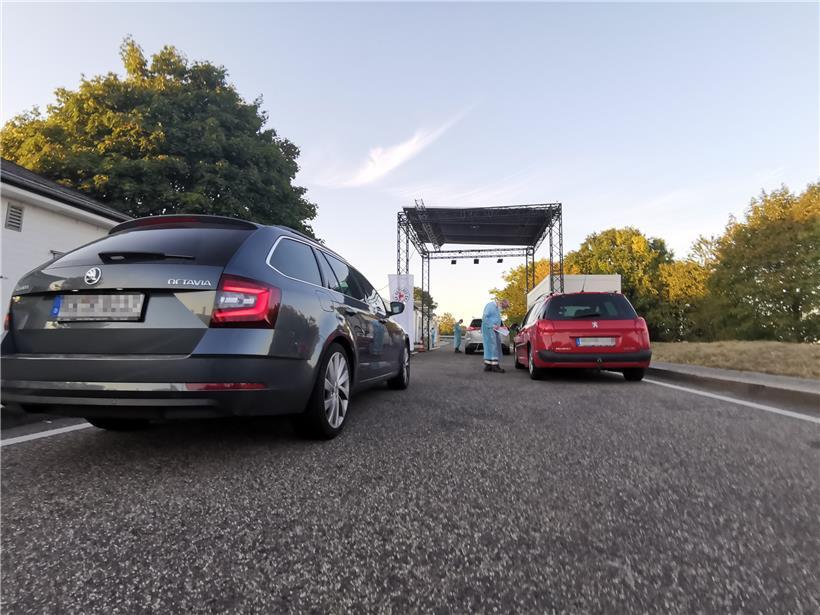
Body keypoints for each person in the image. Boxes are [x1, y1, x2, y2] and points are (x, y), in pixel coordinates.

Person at [481, 298, 509, 373]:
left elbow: (495, 319)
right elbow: (484, 317)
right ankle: (495, 366)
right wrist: (492, 325)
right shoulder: (490, 306)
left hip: (493, 329)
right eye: (504, 307)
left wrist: (501, 327)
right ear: (501, 303)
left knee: (489, 346)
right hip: (489, 329)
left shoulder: (496, 308)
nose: (503, 309)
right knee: (493, 346)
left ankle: (488, 365)